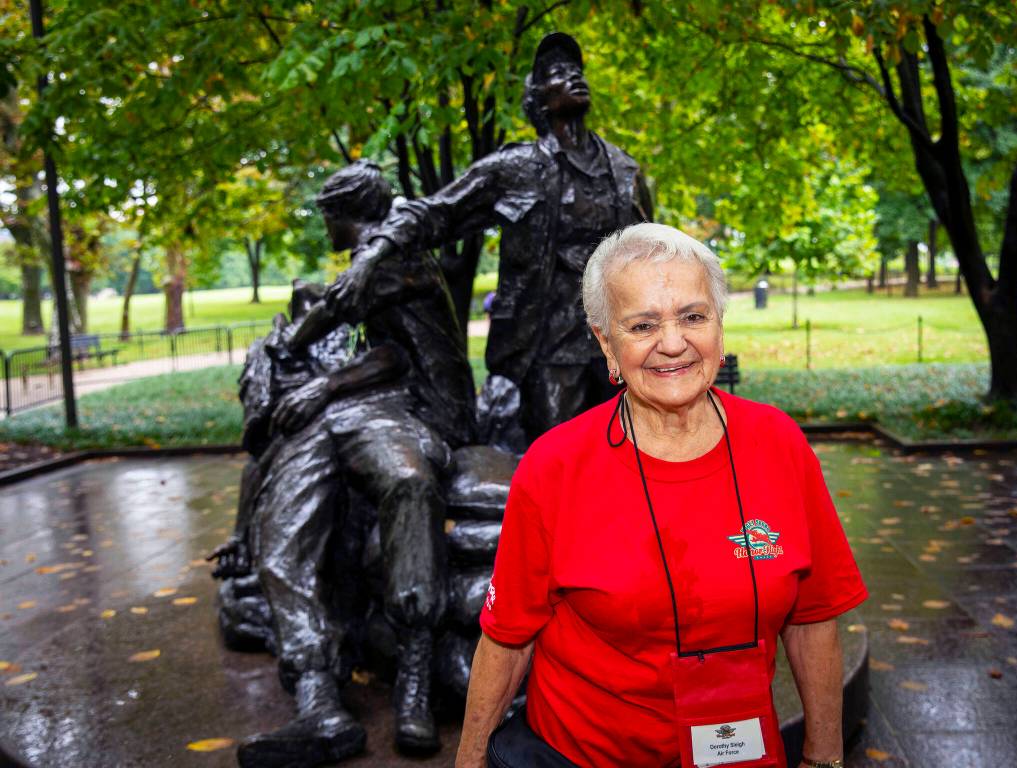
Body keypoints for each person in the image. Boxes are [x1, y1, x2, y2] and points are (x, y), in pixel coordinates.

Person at [456, 223, 868, 768]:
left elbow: (813, 618)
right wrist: (469, 760)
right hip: (582, 755)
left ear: (720, 325)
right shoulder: (555, 466)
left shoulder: (779, 444)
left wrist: (824, 758)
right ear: (606, 343)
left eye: (694, 317)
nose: (673, 344)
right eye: (643, 325)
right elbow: (508, 638)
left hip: (738, 753)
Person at [236, 160, 477, 767]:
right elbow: (383, 348)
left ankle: (415, 679)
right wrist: (319, 388)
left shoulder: (391, 257)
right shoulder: (379, 261)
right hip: (358, 407)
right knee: (285, 525)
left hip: (415, 411)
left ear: (345, 213)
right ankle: (317, 700)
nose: (326, 229)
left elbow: (340, 312)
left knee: (408, 481)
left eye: (327, 216)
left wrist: (285, 349)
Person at [334, 32, 652, 444]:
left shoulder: (625, 171)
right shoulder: (515, 168)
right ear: (538, 100)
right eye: (557, 73)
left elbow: (651, 253)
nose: (574, 77)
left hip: (620, 340)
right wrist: (371, 256)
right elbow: (434, 213)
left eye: (576, 71)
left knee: (632, 454)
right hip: (548, 348)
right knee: (560, 457)